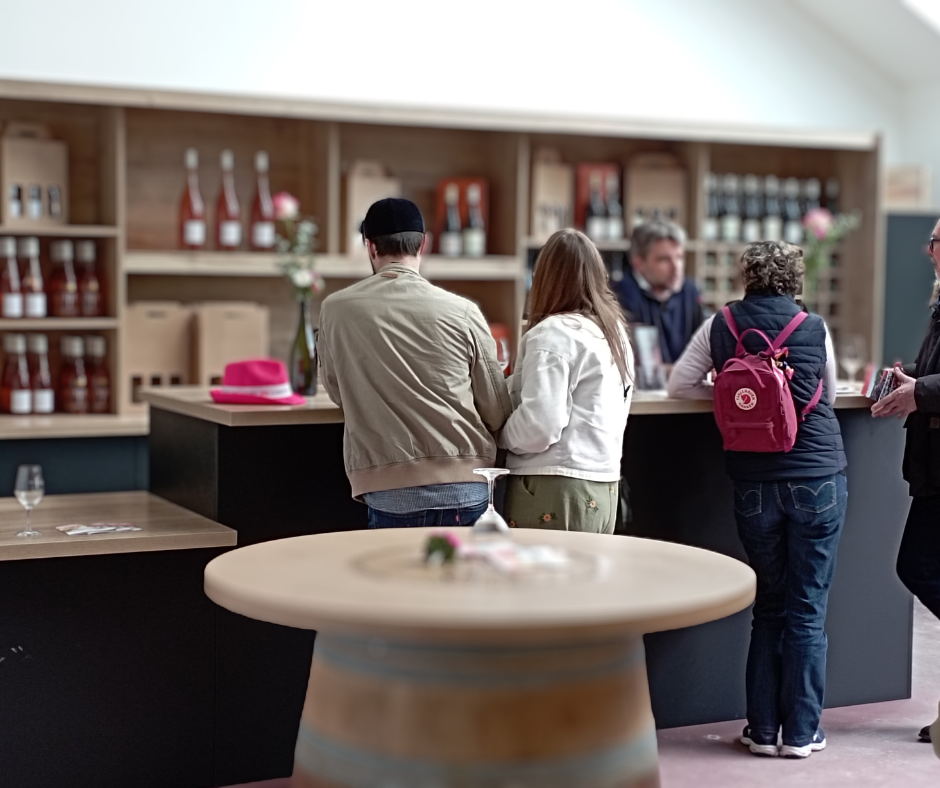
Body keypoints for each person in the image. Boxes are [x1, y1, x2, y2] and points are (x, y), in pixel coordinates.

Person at [668, 241, 845, 759]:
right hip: (816, 476)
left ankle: (763, 731)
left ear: (746, 275)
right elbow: (828, 398)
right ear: (796, 279)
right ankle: (803, 733)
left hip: (753, 481)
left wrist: (727, 394)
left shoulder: (720, 324)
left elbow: (680, 385)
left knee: (768, 605)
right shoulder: (813, 328)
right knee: (807, 609)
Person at [317, 197, 512, 529]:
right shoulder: (463, 311)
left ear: (370, 247)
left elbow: (339, 393)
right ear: (424, 244)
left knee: (396, 580)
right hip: (466, 487)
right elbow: (496, 410)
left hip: (388, 491)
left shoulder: (336, 310)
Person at [498, 229, 634, 533]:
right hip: (604, 488)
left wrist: (500, 435)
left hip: (553, 488)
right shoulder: (615, 334)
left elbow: (540, 425)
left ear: (544, 277)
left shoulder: (552, 334)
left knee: (541, 580)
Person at [871, 217, 940, 744]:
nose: (928, 248)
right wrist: (912, 378)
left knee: (916, 564)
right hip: (931, 465)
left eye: (936, 241)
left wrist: (924, 392)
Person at [614, 219, 705, 364]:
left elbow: (706, 349)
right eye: (664, 260)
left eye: (679, 257)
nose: (676, 268)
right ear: (639, 263)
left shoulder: (690, 291)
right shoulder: (618, 295)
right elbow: (635, 367)